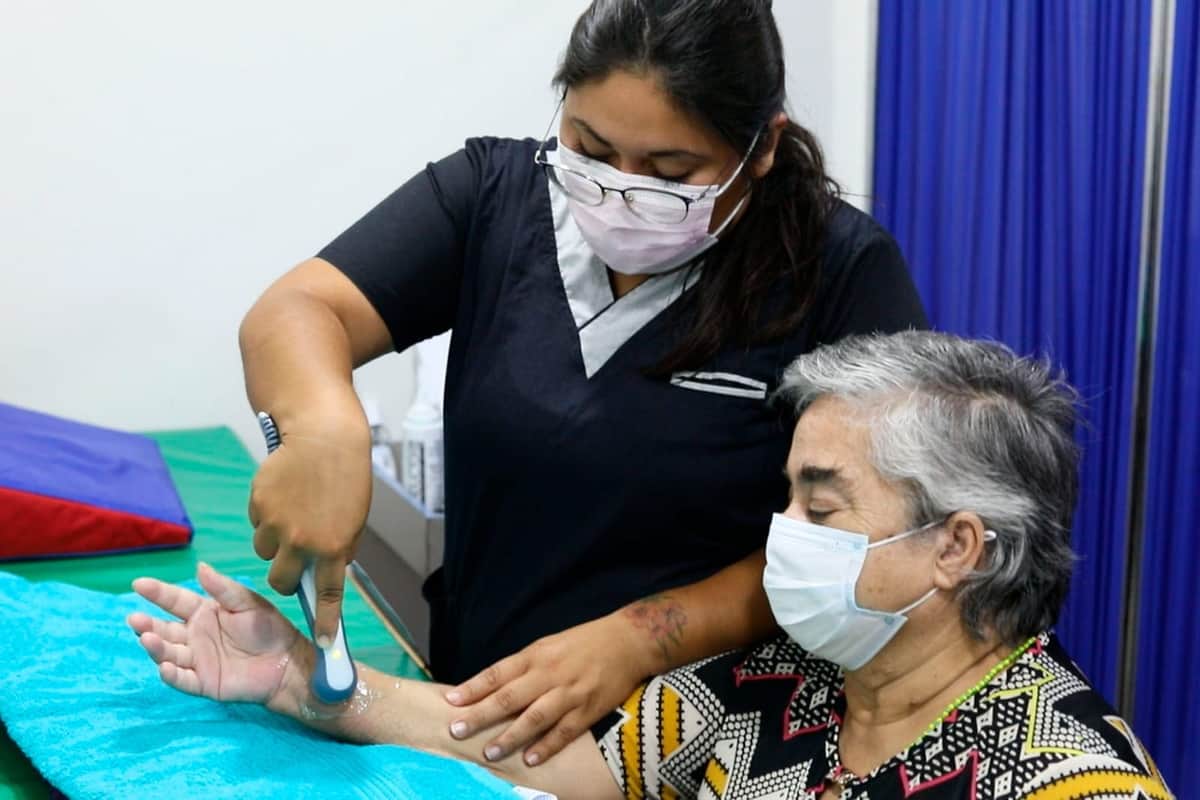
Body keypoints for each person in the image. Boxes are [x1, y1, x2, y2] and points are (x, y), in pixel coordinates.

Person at [238, 0, 926, 767]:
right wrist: (325, 428)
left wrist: (639, 638)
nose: (619, 192)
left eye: (670, 174)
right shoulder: (493, 198)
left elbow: (867, 541)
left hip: (702, 733)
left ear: (760, 149)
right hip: (475, 703)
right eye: (590, 150)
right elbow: (298, 310)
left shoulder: (837, 273)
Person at [129, 331, 1172, 799]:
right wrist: (321, 685)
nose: (783, 535)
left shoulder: (1070, 780)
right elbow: (562, 762)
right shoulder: (777, 683)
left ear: (957, 545)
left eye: (820, 502)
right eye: (786, 497)